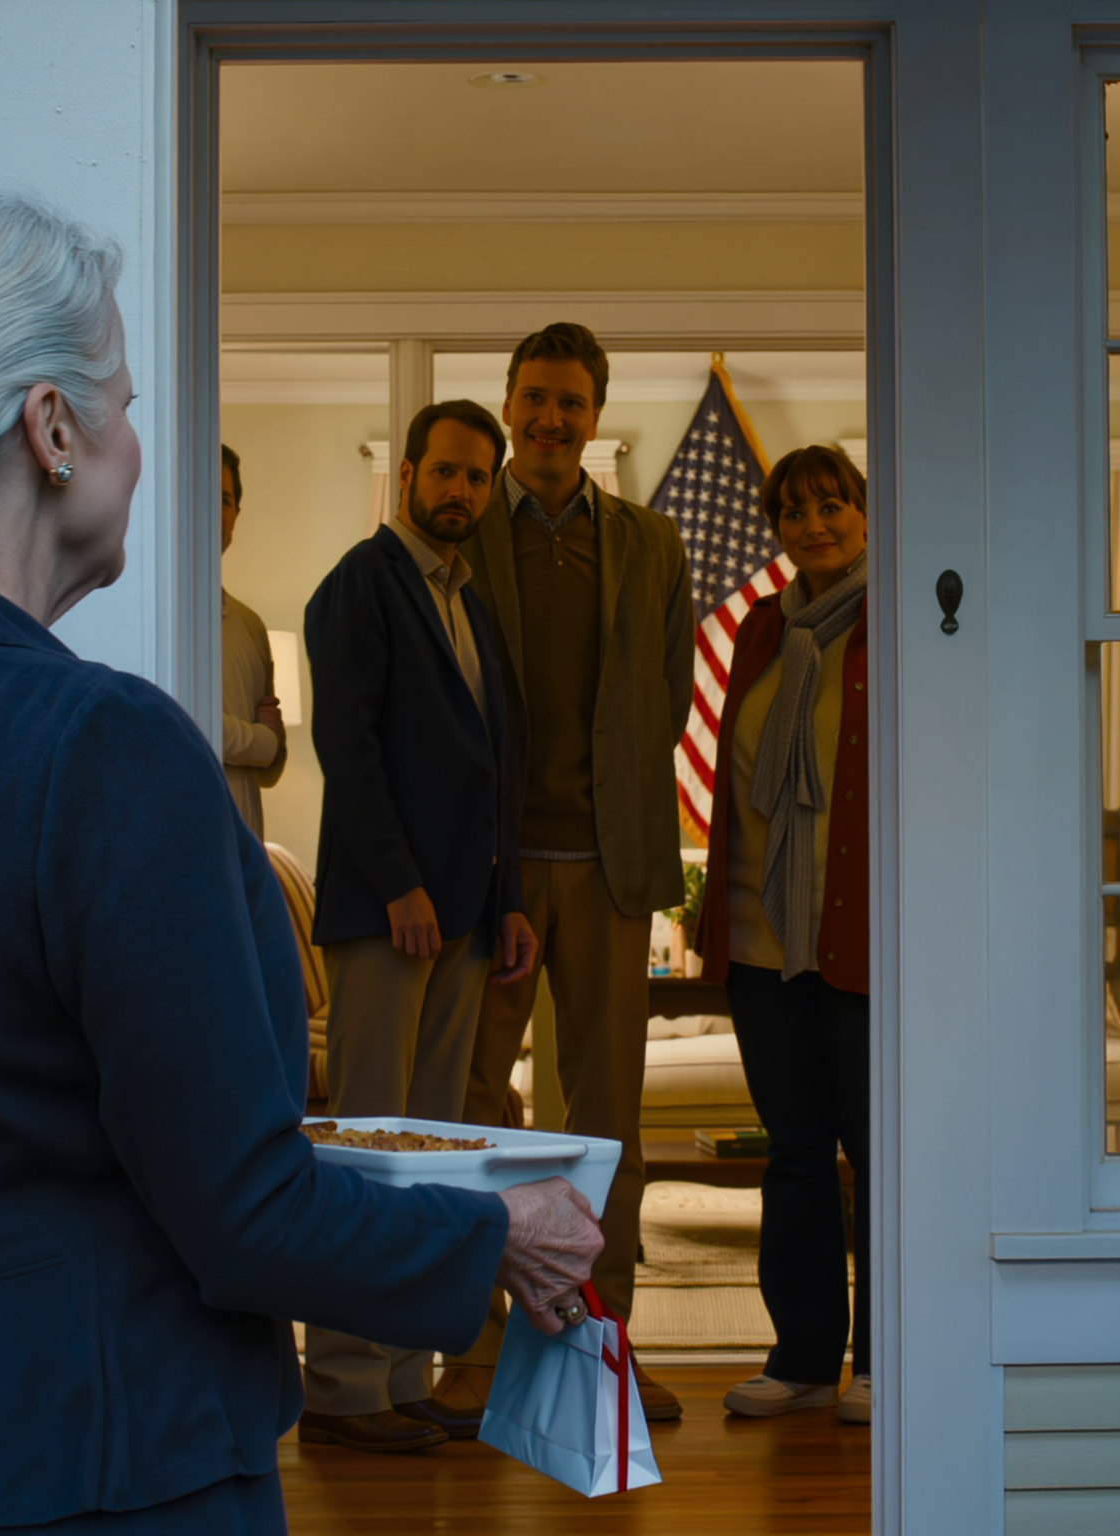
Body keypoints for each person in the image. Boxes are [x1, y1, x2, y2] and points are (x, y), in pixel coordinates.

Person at [0, 190, 602, 1535]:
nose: (141, 449)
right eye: (128, 406)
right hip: (105, 1467)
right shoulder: (100, 752)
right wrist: (499, 1234)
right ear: (51, 430)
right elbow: (244, 1211)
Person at [439, 322, 695, 1424]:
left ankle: (597, 1347)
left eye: (571, 402)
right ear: (509, 404)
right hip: (489, 874)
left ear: (595, 416)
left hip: (606, 868)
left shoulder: (649, 541)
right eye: (534, 398)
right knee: (473, 1115)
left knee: (606, 1122)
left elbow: (669, 693)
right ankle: (474, 1352)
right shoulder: (461, 529)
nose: (550, 419)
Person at [300, 400, 539, 1451]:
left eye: (478, 477)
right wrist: (398, 883)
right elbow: (346, 749)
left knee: (433, 1155)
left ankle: (401, 1376)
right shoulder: (361, 583)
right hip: (388, 918)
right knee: (368, 1154)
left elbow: (497, 769)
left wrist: (510, 896)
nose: (461, 491)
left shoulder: (470, 599)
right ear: (406, 475)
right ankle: (341, 1386)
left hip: (467, 920)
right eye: (446, 471)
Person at [692, 444, 871, 1425]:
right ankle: (802, 1360)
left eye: (832, 504)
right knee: (795, 1153)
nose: (815, 524)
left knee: (878, 1155)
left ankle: (884, 1361)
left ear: (864, 511)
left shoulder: (896, 619)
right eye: (795, 511)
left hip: (858, 937)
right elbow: (731, 779)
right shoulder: (763, 627)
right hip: (762, 937)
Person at [219, 443, 286, 839]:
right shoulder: (156, 619)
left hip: (244, 851)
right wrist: (261, 742)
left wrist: (269, 746)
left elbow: (272, 766)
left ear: (236, 515)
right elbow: (182, 723)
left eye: (224, 500)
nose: (213, 510)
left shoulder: (251, 626)